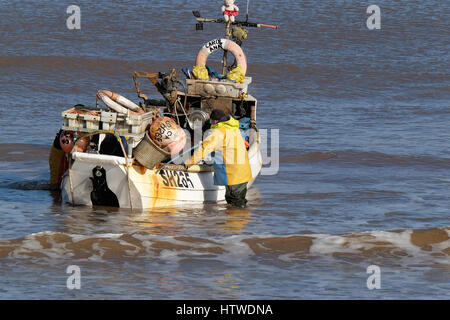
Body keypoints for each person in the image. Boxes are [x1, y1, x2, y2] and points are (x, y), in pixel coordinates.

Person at [185, 109, 252, 207]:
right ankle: (241, 219)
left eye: (211, 121)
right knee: (237, 201)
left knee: (235, 202)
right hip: (243, 172)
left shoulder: (219, 132)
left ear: (215, 121)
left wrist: (189, 162)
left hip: (233, 174)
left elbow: (205, 148)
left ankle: (237, 220)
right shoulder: (234, 129)